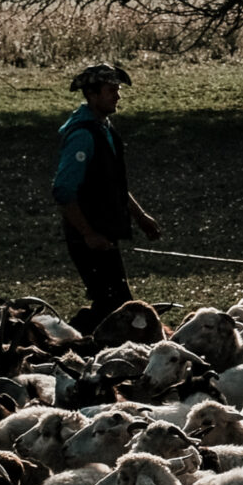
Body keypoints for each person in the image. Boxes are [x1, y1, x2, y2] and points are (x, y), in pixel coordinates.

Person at [54, 62, 161, 328]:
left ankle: (76, 336)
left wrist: (140, 217)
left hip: (104, 234)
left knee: (111, 303)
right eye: (111, 90)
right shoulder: (83, 135)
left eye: (117, 89)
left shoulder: (104, 128)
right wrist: (88, 234)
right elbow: (63, 190)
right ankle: (68, 338)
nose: (118, 95)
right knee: (116, 307)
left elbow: (113, 183)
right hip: (89, 236)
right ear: (92, 94)